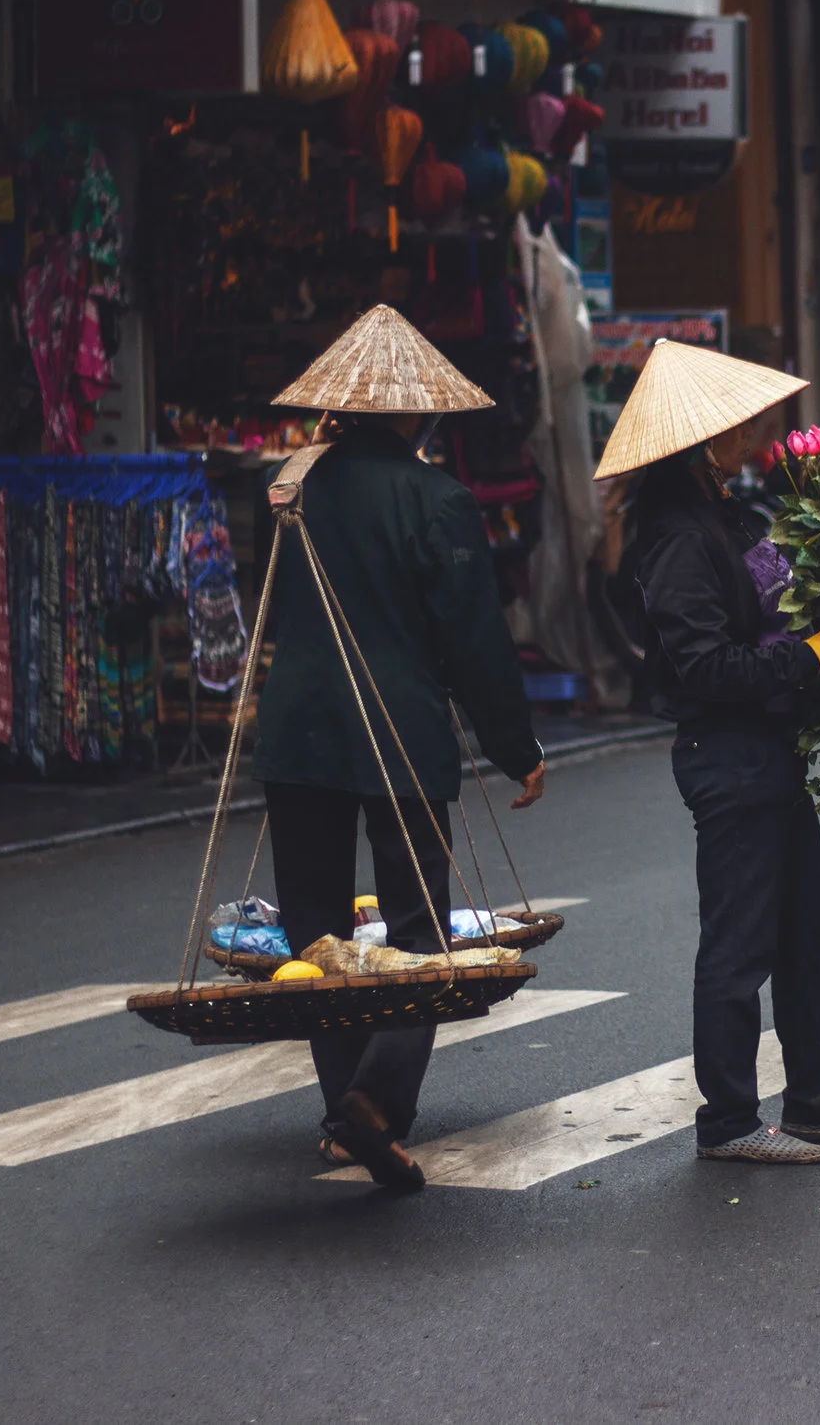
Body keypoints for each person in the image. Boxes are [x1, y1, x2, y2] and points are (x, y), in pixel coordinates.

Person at [254, 308, 547, 1192]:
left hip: (298, 728)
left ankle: (345, 1108)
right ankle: (373, 1107)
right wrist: (514, 747)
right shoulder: (437, 501)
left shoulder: (288, 488)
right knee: (418, 933)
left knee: (319, 934)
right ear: (418, 414)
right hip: (399, 729)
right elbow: (475, 643)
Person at [596, 340, 820, 1166]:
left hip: (769, 748)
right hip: (726, 753)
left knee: (808, 928)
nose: (753, 437)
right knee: (738, 944)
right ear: (701, 444)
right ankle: (728, 1119)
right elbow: (706, 665)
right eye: (738, 428)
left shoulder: (727, 514)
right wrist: (817, 655)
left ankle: (814, 1098)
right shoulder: (675, 537)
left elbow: (768, 611)